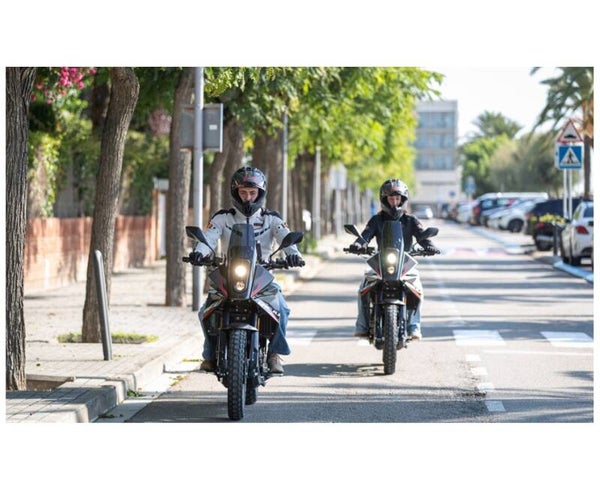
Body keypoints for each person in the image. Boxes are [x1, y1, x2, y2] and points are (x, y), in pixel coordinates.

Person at [188, 166, 303, 374]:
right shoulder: (222, 218)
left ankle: (274, 353)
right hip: (229, 274)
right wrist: (199, 252)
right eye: (243, 192)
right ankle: (210, 354)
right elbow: (209, 238)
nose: (248, 198)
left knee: (282, 309)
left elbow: (286, 238)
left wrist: (294, 255)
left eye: (252, 192)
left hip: (263, 277)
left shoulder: (272, 219)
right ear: (235, 193)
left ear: (260, 193)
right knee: (206, 311)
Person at [348, 179, 439, 340]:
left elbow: (422, 236)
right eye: (391, 198)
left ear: (403, 200)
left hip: (405, 263)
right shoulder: (377, 220)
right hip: (381, 262)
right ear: (384, 200)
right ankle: (361, 325)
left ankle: (414, 326)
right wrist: (358, 244)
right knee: (363, 287)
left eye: (398, 198)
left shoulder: (411, 220)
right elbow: (366, 235)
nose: (394, 202)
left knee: (418, 288)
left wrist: (430, 246)